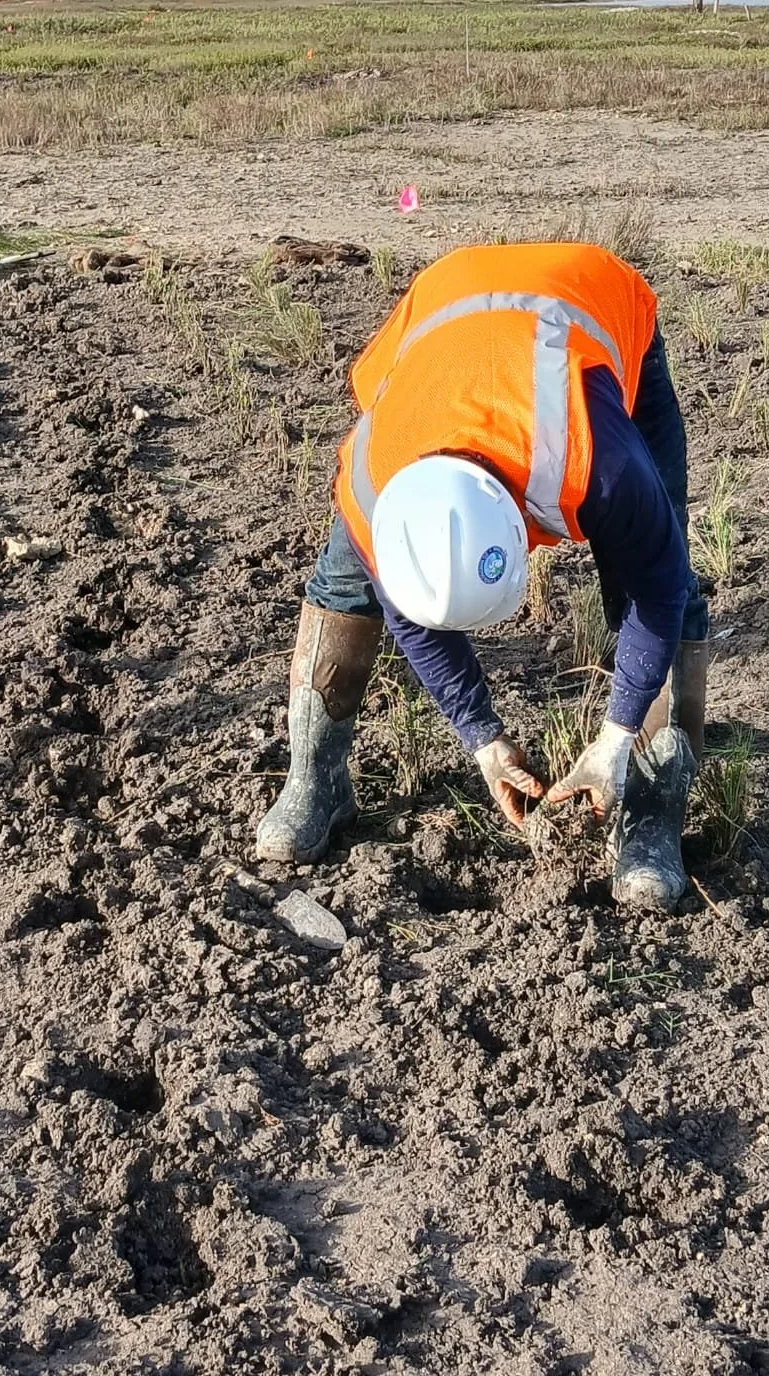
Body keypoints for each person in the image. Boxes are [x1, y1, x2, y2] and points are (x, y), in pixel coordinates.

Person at [254, 240, 710, 910]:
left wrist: (614, 741)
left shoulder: (597, 461)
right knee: (344, 581)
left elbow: (660, 587)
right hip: (445, 307)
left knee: (658, 557)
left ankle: (650, 799)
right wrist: (484, 742)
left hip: (592, 304)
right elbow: (409, 612)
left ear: (521, 520)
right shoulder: (373, 488)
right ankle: (314, 779)